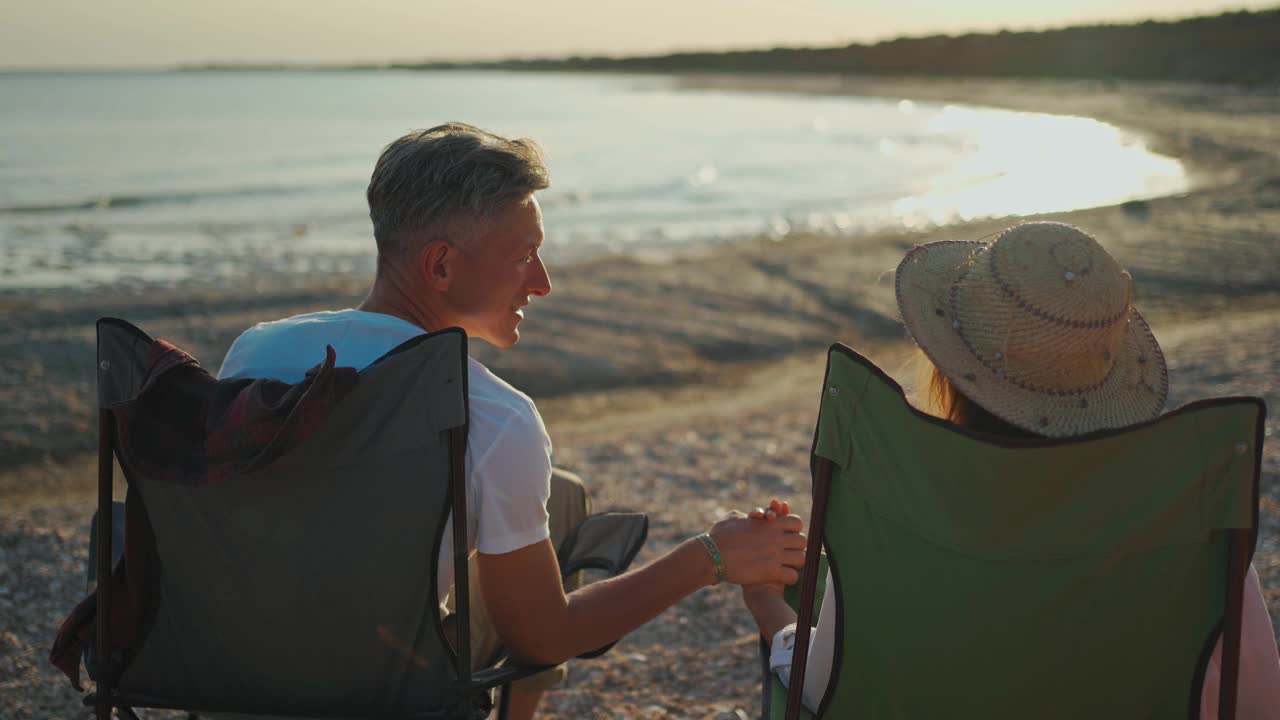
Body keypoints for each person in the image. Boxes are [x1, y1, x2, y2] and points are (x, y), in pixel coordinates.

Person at [218, 122, 807, 719]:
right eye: (525, 256)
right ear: (441, 265)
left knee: (563, 494)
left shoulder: (255, 352)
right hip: (380, 688)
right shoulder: (492, 417)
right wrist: (709, 556)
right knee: (535, 510)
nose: (543, 283)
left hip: (230, 677)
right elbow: (542, 638)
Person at [742, 221, 1280, 716]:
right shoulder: (1187, 533)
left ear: (950, 374)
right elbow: (1257, 700)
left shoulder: (903, 513)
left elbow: (827, 687)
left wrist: (771, 611)